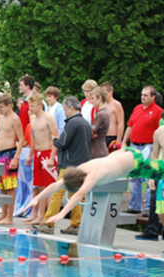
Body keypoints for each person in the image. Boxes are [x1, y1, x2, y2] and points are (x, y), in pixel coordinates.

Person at [27, 138, 164, 226]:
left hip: (135, 161)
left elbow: (79, 194)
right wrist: (37, 198)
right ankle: (146, 155)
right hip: (124, 156)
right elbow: (56, 185)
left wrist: (62, 213)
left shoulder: (92, 175)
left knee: (161, 172)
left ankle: (146, 155)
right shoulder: (80, 169)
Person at [32, 97, 92, 235]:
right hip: (82, 163)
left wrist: (55, 140)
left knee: (57, 192)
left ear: (71, 108)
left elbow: (63, 142)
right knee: (76, 194)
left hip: (69, 164)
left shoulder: (72, 123)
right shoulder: (85, 123)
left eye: (65, 110)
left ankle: (49, 223)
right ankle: (76, 224)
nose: (65, 113)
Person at [121, 85, 163, 217]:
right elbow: (130, 126)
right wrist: (123, 141)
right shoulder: (137, 108)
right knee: (133, 176)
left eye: (145, 95)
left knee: (148, 176)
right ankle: (135, 206)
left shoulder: (157, 111)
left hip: (149, 145)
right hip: (135, 144)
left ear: (153, 97)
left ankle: (149, 207)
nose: (142, 97)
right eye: (142, 95)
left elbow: (159, 131)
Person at [23, 94, 59, 225]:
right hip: (37, 154)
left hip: (48, 153)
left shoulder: (48, 118)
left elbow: (56, 138)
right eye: (29, 106)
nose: (30, 108)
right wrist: (30, 155)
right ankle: (38, 215)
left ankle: (46, 217)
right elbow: (34, 138)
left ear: (39, 106)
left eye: (32, 106)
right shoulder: (32, 118)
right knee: (39, 186)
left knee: (49, 187)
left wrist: (51, 158)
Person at [0, 93, 24, 225]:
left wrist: (16, 158)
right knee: (2, 186)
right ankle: (3, 214)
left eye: (1, 107)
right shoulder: (0, 118)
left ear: (9, 105)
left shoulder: (15, 118)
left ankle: (10, 216)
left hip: (10, 154)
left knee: (10, 186)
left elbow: (21, 139)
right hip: (0, 153)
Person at [137, 127, 164, 240]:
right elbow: (154, 155)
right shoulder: (158, 132)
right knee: (160, 209)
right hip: (162, 174)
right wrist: (151, 176)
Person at [100, 82, 125, 151]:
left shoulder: (116, 104)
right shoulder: (102, 104)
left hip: (112, 136)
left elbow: (121, 123)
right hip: (102, 136)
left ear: (110, 92)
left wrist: (118, 141)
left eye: (104, 93)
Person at [89, 86, 110, 159]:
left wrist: (90, 132)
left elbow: (91, 132)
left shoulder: (101, 114)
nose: (91, 101)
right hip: (101, 150)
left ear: (100, 98)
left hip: (97, 151)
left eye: (93, 98)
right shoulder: (105, 112)